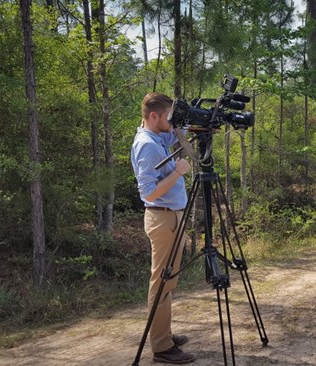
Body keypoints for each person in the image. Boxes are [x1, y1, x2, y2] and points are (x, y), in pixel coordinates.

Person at [131, 92, 195, 363]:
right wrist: (178, 172)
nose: (172, 121)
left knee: (168, 281)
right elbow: (149, 193)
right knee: (161, 282)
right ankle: (161, 347)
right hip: (162, 217)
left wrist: (194, 123)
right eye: (168, 116)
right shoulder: (147, 145)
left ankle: (164, 334)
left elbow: (175, 136)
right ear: (154, 116)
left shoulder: (158, 137)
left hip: (170, 216)